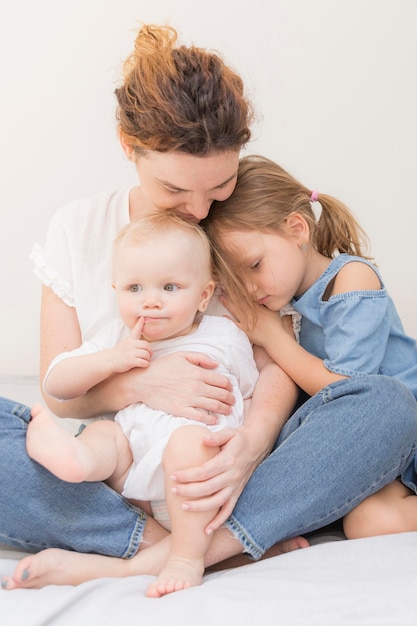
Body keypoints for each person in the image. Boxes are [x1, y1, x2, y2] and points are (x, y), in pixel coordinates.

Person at [1, 26, 417, 591]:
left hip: (231, 468)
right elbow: (56, 390)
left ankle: (185, 548)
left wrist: (248, 448)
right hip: (122, 460)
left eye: (219, 184)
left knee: (384, 404)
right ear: (129, 146)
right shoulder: (78, 228)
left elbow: (274, 359)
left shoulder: (237, 228)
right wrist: (143, 384)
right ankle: (183, 543)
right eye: (176, 191)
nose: (199, 210)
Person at [26, 212, 261, 597]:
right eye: (134, 288)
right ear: (116, 290)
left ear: (204, 296)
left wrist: (243, 446)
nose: (150, 301)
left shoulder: (224, 336)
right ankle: (77, 460)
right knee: (106, 433)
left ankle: (186, 557)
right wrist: (112, 360)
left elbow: (249, 394)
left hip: (193, 482)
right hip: (132, 476)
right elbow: (56, 383)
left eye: (169, 287)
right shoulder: (118, 337)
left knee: (191, 442)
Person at [202, 153, 417, 539]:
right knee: (365, 520)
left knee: (369, 521)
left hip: (402, 430)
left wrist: (271, 336)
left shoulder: (351, 279)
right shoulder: (282, 304)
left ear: (297, 229)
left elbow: (350, 388)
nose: (250, 289)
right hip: (365, 451)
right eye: (236, 279)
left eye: (254, 266)